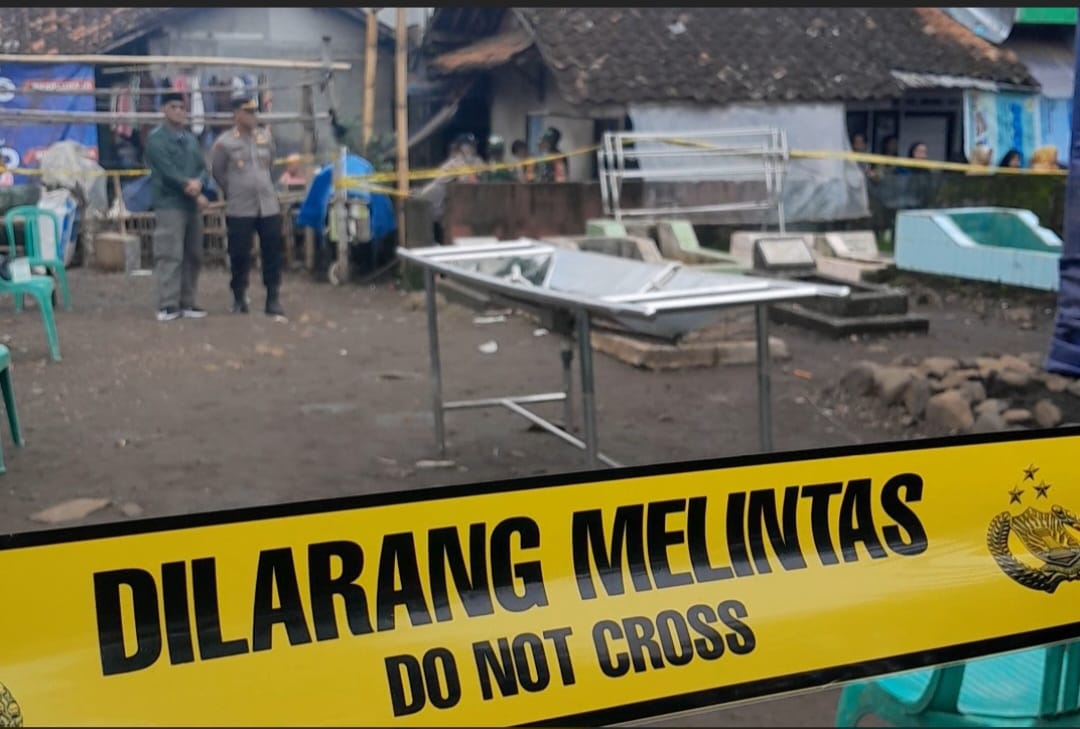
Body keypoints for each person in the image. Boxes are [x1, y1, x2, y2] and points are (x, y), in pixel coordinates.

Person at [211, 94, 285, 316]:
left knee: (272, 251)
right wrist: (235, 190)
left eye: (255, 111)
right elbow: (218, 172)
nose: (254, 116)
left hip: (268, 205)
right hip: (240, 207)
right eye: (249, 112)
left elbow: (270, 165)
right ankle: (239, 296)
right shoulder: (225, 143)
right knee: (240, 253)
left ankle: (272, 298)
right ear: (237, 114)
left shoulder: (265, 137)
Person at [144, 90, 209, 322]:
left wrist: (200, 183)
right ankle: (168, 303)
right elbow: (166, 170)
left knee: (193, 253)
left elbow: (203, 166)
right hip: (169, 202)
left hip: (191, 204)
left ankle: (188, 301)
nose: (180, 111)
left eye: (182, 107)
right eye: (174, 107)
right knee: (170, 254)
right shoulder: (156, 139)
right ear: (163, 110)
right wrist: (189, 186)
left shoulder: (190, 139)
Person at [418, 132, 481, 244]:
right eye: (469, 146)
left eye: (473, 146)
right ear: (462, 148)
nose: (473, 149)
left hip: (435, 209)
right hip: (434, 209)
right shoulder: (457, 163)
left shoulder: (461, 162)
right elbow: (470, 182)